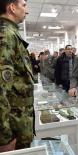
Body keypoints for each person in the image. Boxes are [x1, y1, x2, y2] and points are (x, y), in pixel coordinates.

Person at [0, 0, 35, 152]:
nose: (26, 11)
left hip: (19, 120)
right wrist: (4, 137)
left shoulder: (11, 33)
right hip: (13, 126)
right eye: (24, 5)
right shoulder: (6, 35)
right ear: (12, 7)